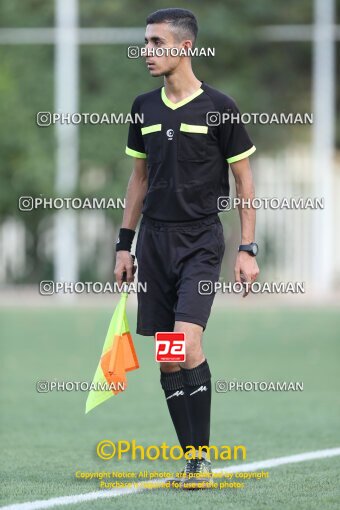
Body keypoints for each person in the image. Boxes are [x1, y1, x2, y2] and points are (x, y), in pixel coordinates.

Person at [114, 8, 259, 489]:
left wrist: (247, 248)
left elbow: (244, 181)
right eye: (146, 43)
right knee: (169, 357)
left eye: (157, 43)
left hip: (199, 241)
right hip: (153, 243)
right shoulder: (143, 107)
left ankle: (199, 461)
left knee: (187, 343)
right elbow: (139, 179)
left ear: (185, 47)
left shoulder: (220, 106)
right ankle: (193, 459)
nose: (147, 52)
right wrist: (124, 245)